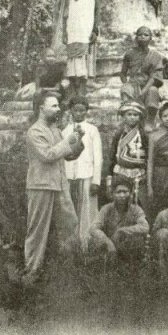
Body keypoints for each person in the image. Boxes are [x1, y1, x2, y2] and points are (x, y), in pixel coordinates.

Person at [23, 92, 84, 285]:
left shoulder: (55, 130)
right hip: (41, 186)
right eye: (54, 106)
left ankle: (70, 271)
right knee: (38, 231)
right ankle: (31, 272)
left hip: (59, 184)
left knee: (70, 224)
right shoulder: (34, 132)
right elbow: (48, 155)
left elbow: (68, 156)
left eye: (58, 106)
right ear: (42, 108)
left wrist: (78, 142)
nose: (58, 110)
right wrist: (69, 141)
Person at [62, 96, 103, 249]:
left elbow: (98, 157)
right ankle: (72, 244)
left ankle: (87, 243)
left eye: (82, 110)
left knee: (87, 210)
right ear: (71, 111)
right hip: (69, 175)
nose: (79, 113)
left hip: (87, 175)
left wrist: (96, 181)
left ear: (86, 111)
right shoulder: (65, 130)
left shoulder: (92, 130)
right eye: (76, 110)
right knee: (71, 209)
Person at [89, 176, 149, 265]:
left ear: (130, 193)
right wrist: (108, 242)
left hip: (127, 247)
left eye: (125, 192)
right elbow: (94, 228)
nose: (122, 195)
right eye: (118, 192)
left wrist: (122, 231)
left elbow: (145, 227)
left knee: (137, 240)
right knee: (95, 242)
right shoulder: (106, 209)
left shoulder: (136, 209)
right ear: (113, 194)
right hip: (110, 246)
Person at [64, 0, 100, 97]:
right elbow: (67, 11)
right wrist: (65, 30)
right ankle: (73, 90)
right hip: (73, 27)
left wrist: (95, 28)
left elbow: (97, 9)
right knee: (72, 58)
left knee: (84, 57)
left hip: (87, 25)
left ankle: (83, 91)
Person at [120, 26, 164, 131]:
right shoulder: (129, 54)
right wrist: (126, 83)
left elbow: (155, 76)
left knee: (153, 91)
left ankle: (149, 120)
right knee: (125, 89)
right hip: (133, 83)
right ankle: (129, 121)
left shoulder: (155, 55)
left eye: (146, 35)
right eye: (140, 35)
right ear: (136, 38)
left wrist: (143, 90)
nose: (143, 37)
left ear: (150, 38)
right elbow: (123, 73)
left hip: (148, 84)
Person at [108, 102, 149, 208]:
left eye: (135, 115)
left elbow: (148, 155)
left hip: (138, 174)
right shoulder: (119, 134)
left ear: (140, 117)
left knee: (138, 202)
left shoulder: (143, 135)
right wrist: (109, 177)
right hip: (121, 172)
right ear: (124, 117)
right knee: (121, 202)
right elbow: (112, 156)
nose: (132, 117)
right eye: (129, 114)